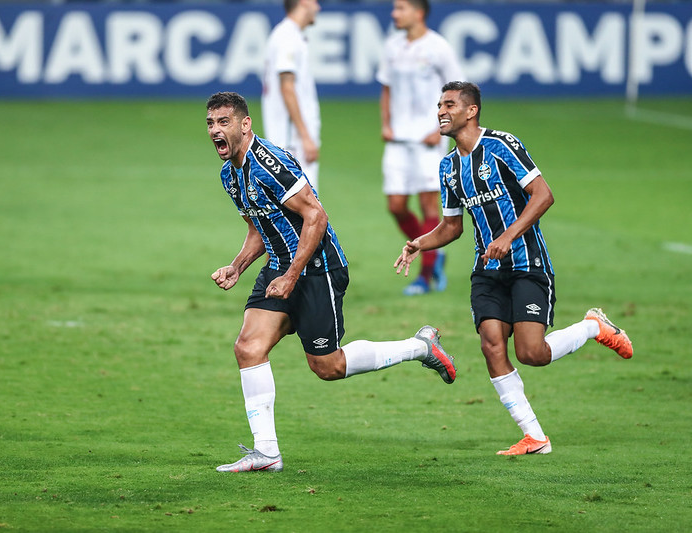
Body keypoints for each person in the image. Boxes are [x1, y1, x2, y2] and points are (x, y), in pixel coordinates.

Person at [206, 91, 457, 472]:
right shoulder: (230, 174)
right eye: (210, 123)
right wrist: (237, 266)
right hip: (280, 267)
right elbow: (259, 226)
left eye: (223, 122)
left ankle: (420, 347)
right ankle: (267, 453)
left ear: (245, 124)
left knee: (328, 366)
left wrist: (293, 275)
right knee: (248, 348)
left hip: (318, 268)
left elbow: (316, 217)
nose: (215, 131)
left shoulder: (269, 165)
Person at [394, 81, 633, 455]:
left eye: (450, 104)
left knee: (531, 353)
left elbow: (543, 194)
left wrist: (508, 236)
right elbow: (453, 226)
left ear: (471, 111)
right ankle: (534, 436)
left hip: (526, 263)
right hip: (486, 270)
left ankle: (593, 327)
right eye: (439, 105)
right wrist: (419, 243)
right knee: (491, 345)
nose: (441, 111)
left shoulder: (502, 146)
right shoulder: (448, 167)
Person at [377, 0, 464, 296]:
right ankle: (434, 252)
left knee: (429, 205)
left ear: (419, 12)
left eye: (400, 8)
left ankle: (425, 275)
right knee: (396, 205)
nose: (394, 13)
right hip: (398, 139)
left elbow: (458, 92)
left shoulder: (438, 47)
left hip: (429, 139)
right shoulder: (392, 47)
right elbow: (386, 88)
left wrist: (439, 128)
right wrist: (386, 123)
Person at [262, 0, 322, 191]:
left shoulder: (288, 35)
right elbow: (287, 87)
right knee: (307, 208)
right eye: (315, 2)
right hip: (291, 139)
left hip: (290, 137)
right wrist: (305, 136)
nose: (318, 7)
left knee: (299, 208)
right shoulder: (288, 37)